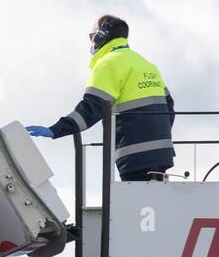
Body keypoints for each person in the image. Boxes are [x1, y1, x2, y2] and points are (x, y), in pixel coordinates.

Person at [27, 15, 175, 181]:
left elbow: (91, 108)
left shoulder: (108, 64)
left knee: (134, 202)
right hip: (162, 156)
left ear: (100, 36)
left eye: (92, 37)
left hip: (134, 156)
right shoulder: (145, 63)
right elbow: (169, 106)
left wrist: (56, 129)